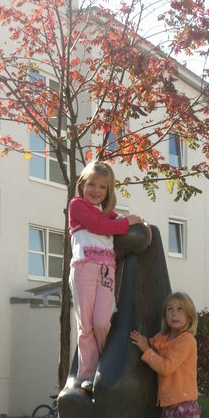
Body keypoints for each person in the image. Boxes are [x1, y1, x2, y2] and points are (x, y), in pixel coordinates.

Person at [69, 160, 143, 393]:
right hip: (84, 269)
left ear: (108, 192)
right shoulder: (77, 206)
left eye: (102, 187)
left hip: (106, 271)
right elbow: (98, 226)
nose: (96, 191)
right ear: (82, 185)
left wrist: (140, 224)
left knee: (102, 321)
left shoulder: (109, 216)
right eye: (92, 184)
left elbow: (113, 223)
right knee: (87, 325)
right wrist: (123, 222)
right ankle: (88, 374)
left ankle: (105, 364)